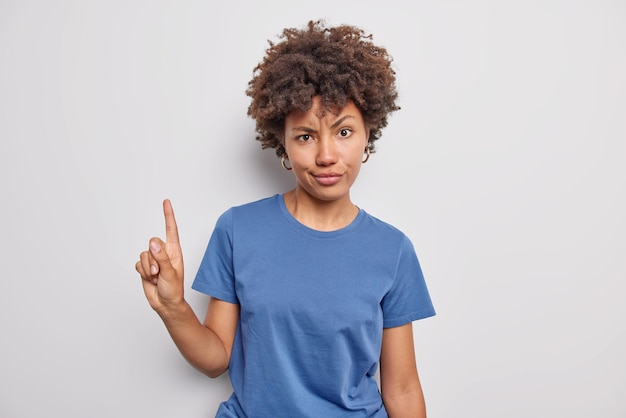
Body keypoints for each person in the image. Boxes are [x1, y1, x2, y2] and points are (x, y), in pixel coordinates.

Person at [136, 20, 435, 418]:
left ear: (368, 136)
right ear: (283, 143)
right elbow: (214, 360)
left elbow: (402, 389)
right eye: (306, 136)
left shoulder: (393, 251)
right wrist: (173, 308)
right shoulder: (237, 231)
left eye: (343, 132)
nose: (326, 155)